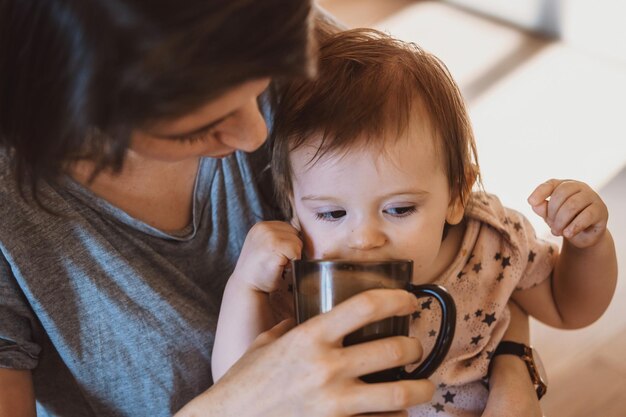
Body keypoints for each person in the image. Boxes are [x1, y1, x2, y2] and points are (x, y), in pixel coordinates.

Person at [211, 29, 618, 416]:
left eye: (399, 209)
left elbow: (570, 309)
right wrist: (246, 286)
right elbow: (240, 384)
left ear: (457, 194)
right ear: (294, 208)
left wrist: (587, 245)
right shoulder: (302, 274)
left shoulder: (491, 243)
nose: (364, 238)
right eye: (332, 213)